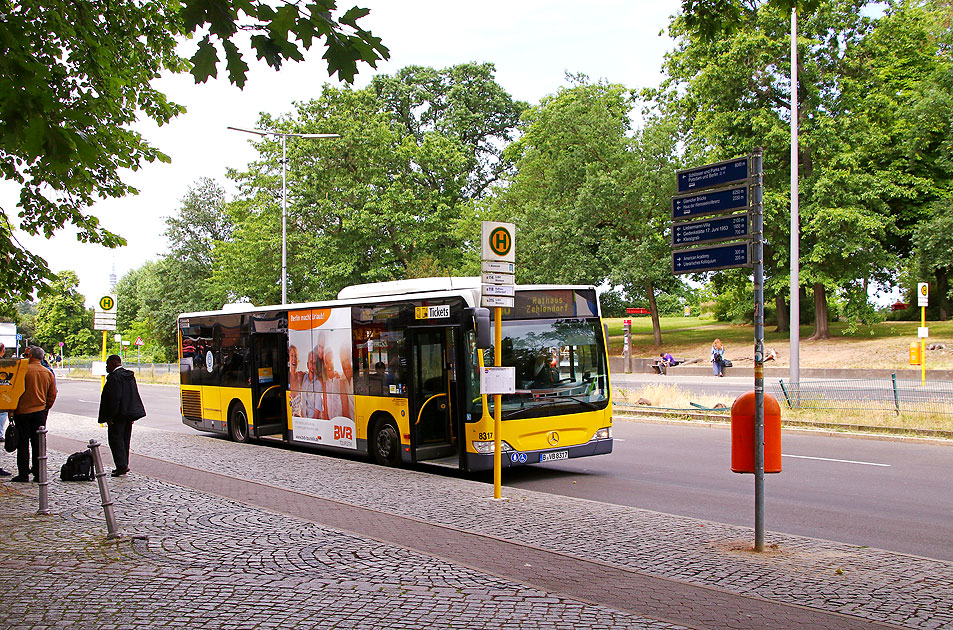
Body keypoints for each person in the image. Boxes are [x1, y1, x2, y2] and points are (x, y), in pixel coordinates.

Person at [11, 346, 57, 482]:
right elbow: (52, 394)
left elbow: (15, 392)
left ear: (30, 356)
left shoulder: (22, 372)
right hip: (40, 412)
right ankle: (38, 473)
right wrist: (46, 406)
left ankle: (23, 473)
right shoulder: (47, 372)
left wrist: (12, 410)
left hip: (22, 412)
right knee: (38, 444)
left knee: (23, 444)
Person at [98, 354, 146, 477]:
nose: (106, 367)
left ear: (113, 363)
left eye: (107, 364)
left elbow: (114, 399)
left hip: (117, 416)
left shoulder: (115, 378)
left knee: (116, 440)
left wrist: (109, 417)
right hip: (128, 414)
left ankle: (121, 466)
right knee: (125, 440)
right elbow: (133, 395)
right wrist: (133, 414)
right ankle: (124, 463)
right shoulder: (129, 376)